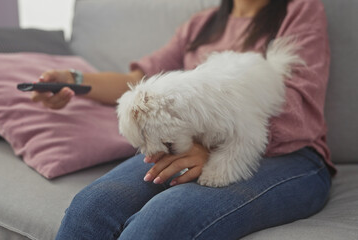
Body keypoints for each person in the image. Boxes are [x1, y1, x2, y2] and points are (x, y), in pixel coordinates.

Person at [32, 0, 335, 239]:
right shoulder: (200, 25)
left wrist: (213, 144)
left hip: (288, 154)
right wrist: (73, 79)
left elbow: (299, 108)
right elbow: (138, 80)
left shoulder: (300, 10)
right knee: (92, 206)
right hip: (186, 144)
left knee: (162, 220)